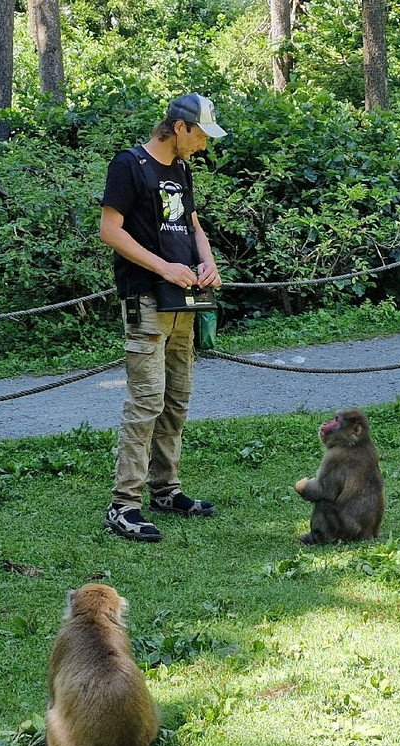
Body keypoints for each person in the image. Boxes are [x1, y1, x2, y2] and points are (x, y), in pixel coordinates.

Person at [99, 92, 227, 542]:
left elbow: (192, 226)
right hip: (146, 298)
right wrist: (163, 266)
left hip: (184, 301)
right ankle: (123, 505)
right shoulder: (129, 165)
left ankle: (166, 490)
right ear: (179, 127)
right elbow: (109, 230)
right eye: (201, 135)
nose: (205, 145)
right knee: (146, 402)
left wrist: (206, 262)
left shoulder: (182, 169)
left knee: (177, 399)